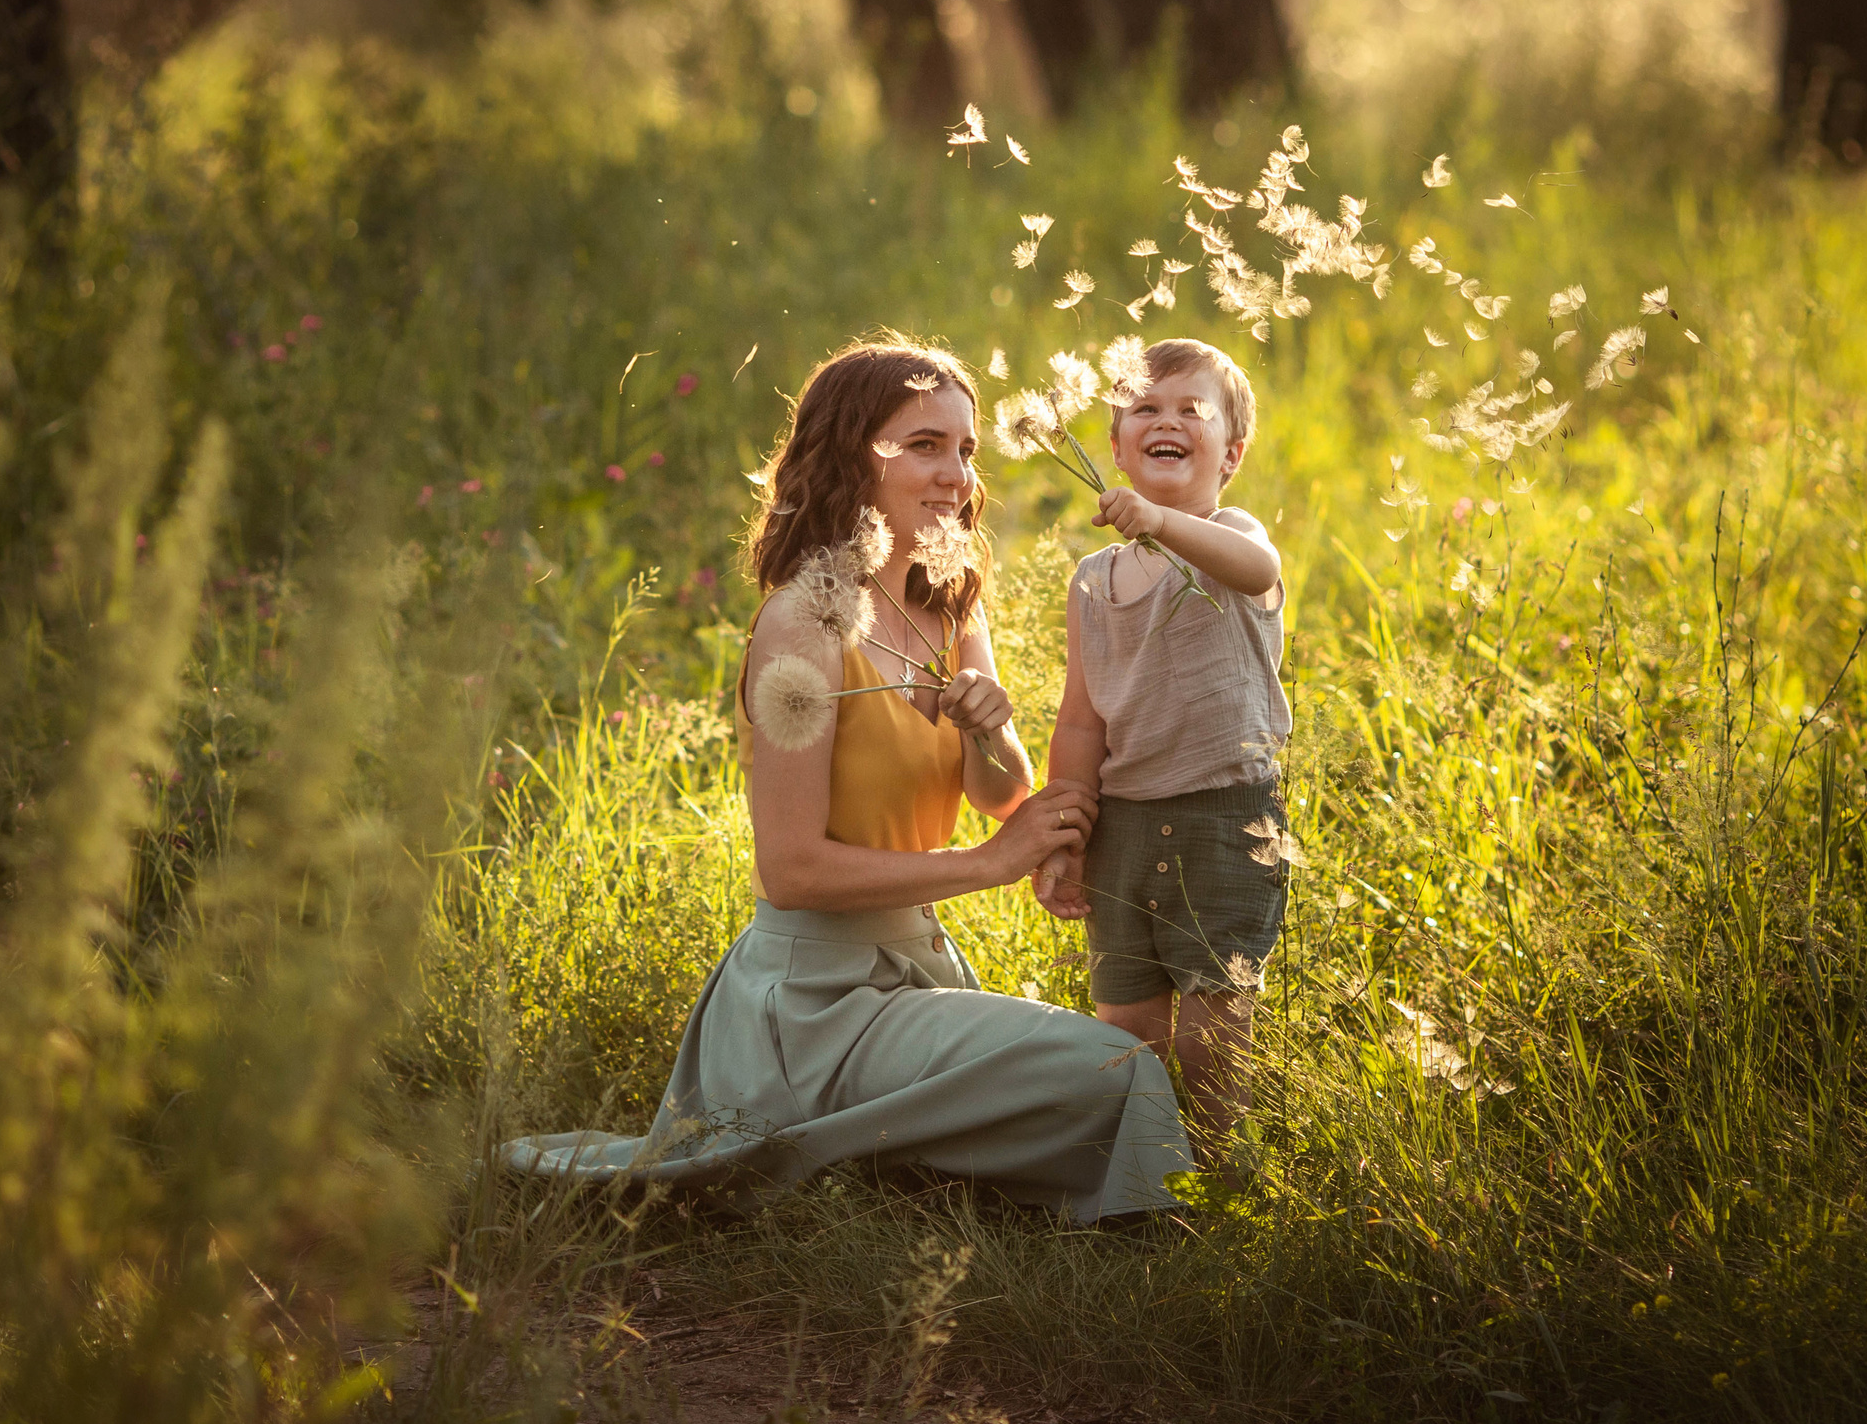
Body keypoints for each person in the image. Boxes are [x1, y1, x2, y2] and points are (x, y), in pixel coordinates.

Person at [499, 334, 1192, 1221]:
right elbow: (793, 869)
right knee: (1118, 1070)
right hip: (812, 1002)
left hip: (915, 967)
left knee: (1105, 1075)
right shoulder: (804, 625)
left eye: (967, 449)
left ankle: (876, 1169)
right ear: (851, 460)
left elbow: (998, 793)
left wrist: (992, 732)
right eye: (923, 446)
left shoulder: (947, 601)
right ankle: (866, 1153)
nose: (956, 475)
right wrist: (991, 862)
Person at [1033, 338, 1292, 1163]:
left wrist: (1166, 525)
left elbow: (1258, 569)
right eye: (1145, 407)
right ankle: (1147, 1173)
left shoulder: (1230, 537)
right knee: (1128, 1031)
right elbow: (1080, 721)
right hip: (1125, 829)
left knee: (1212, 1031)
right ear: (1114, 447)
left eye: (1192, 409)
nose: (1167, 420)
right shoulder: (1092, 581)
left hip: (1226, 822)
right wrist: (1065, 838)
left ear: (1232, 453)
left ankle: (1224, 1172)